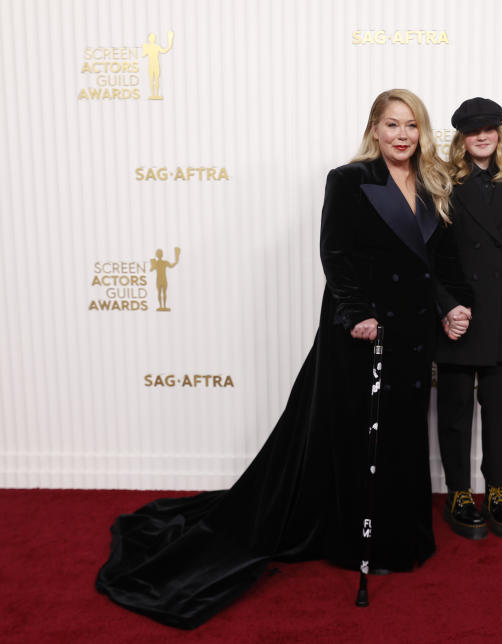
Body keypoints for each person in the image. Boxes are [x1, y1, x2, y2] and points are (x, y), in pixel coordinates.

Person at [96, 89, 472, 629]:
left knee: (405, 431)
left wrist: (451, 307)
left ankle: (404, 537)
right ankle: (354, 542)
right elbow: (335, 253)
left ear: (422, 131)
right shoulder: (349, 180)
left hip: (413, 333)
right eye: (391, 124)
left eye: (411, 125)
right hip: (363, 331)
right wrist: (356, 311)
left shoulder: (437, 185)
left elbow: (438, 263)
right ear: (374, 128)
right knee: (359, 434)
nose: (402, 135)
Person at [436, 98, 502, 540]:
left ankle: (498, 490)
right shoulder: (439, 182)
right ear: (461, 138)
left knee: (500, 409)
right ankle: (459, 492)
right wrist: (444, 306)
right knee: (456, 410)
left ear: (499, 133)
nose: (482, 136)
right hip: (461, 312)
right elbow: (432, 256)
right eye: (473, 130)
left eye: (490, 128)